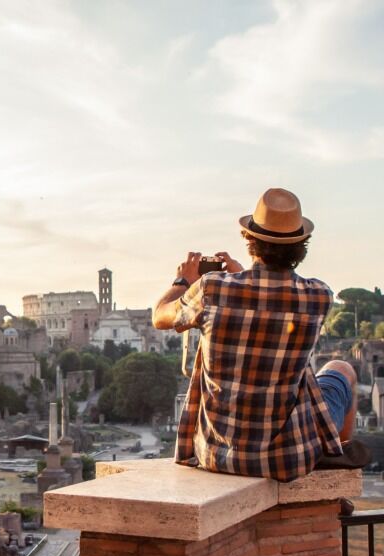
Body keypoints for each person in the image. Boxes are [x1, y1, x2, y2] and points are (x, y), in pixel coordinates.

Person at [152, 188, 358, 482]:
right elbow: (269, 301)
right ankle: (336, 472)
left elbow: (160, 316)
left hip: (215, 456)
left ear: (249, 240)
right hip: (287, 460)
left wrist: (184, 280)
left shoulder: (213, 289)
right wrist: (241, 276)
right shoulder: (319, 296)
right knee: (342, 370)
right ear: (302, 245)